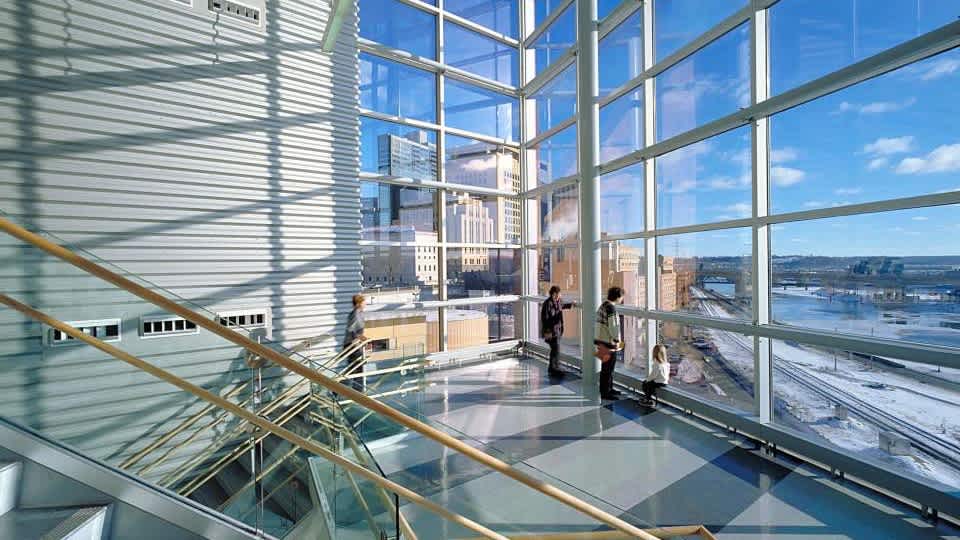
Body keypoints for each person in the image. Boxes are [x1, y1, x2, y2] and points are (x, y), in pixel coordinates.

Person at [595, 287, 624, 400]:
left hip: (601, 341)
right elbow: (613, 327)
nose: (622, 299)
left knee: (606, 368)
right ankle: (606, 392)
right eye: (621, 297)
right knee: (609, 368)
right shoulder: (611, 308)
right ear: (617, 297)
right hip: (608, 343)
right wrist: (617, 341)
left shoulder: (603, 305)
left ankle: (608, 389)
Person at [540, 286, 574, 376]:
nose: (560, 295)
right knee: (556, 349)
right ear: (554, 293)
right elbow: (545, 318)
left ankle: (553, 367)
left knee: (555, 349)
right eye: (559, 293)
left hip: (557, 330)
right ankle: (555, 368)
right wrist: (548, 332)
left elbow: (563, 306)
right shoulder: (547, 303)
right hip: (551, 331)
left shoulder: (558, 301)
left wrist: (571, 304)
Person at [342, 294, 368, 391]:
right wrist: (362, 338)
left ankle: (354, 390)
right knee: (356, 369)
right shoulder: (355, 314)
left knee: (354, 369)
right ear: (358, 304)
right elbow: (351, 330)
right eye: (364, 302)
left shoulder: (359, 313)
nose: (365, 304)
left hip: (355, 345)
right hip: (352, 345)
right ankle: (356, 391)